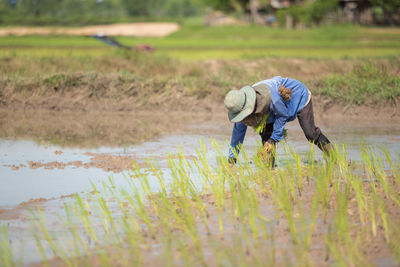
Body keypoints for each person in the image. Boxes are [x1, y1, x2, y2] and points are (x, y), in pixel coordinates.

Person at [224, 76, 333, 166]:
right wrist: (231, 160)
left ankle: (337, 159)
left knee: (311, 133)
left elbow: (282, 116)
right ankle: (270, 168)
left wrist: (273, 139)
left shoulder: (272, 99)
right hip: (274, 111)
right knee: (265, 134)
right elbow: (238, 133)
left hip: (298, 96)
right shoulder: (240, 107)